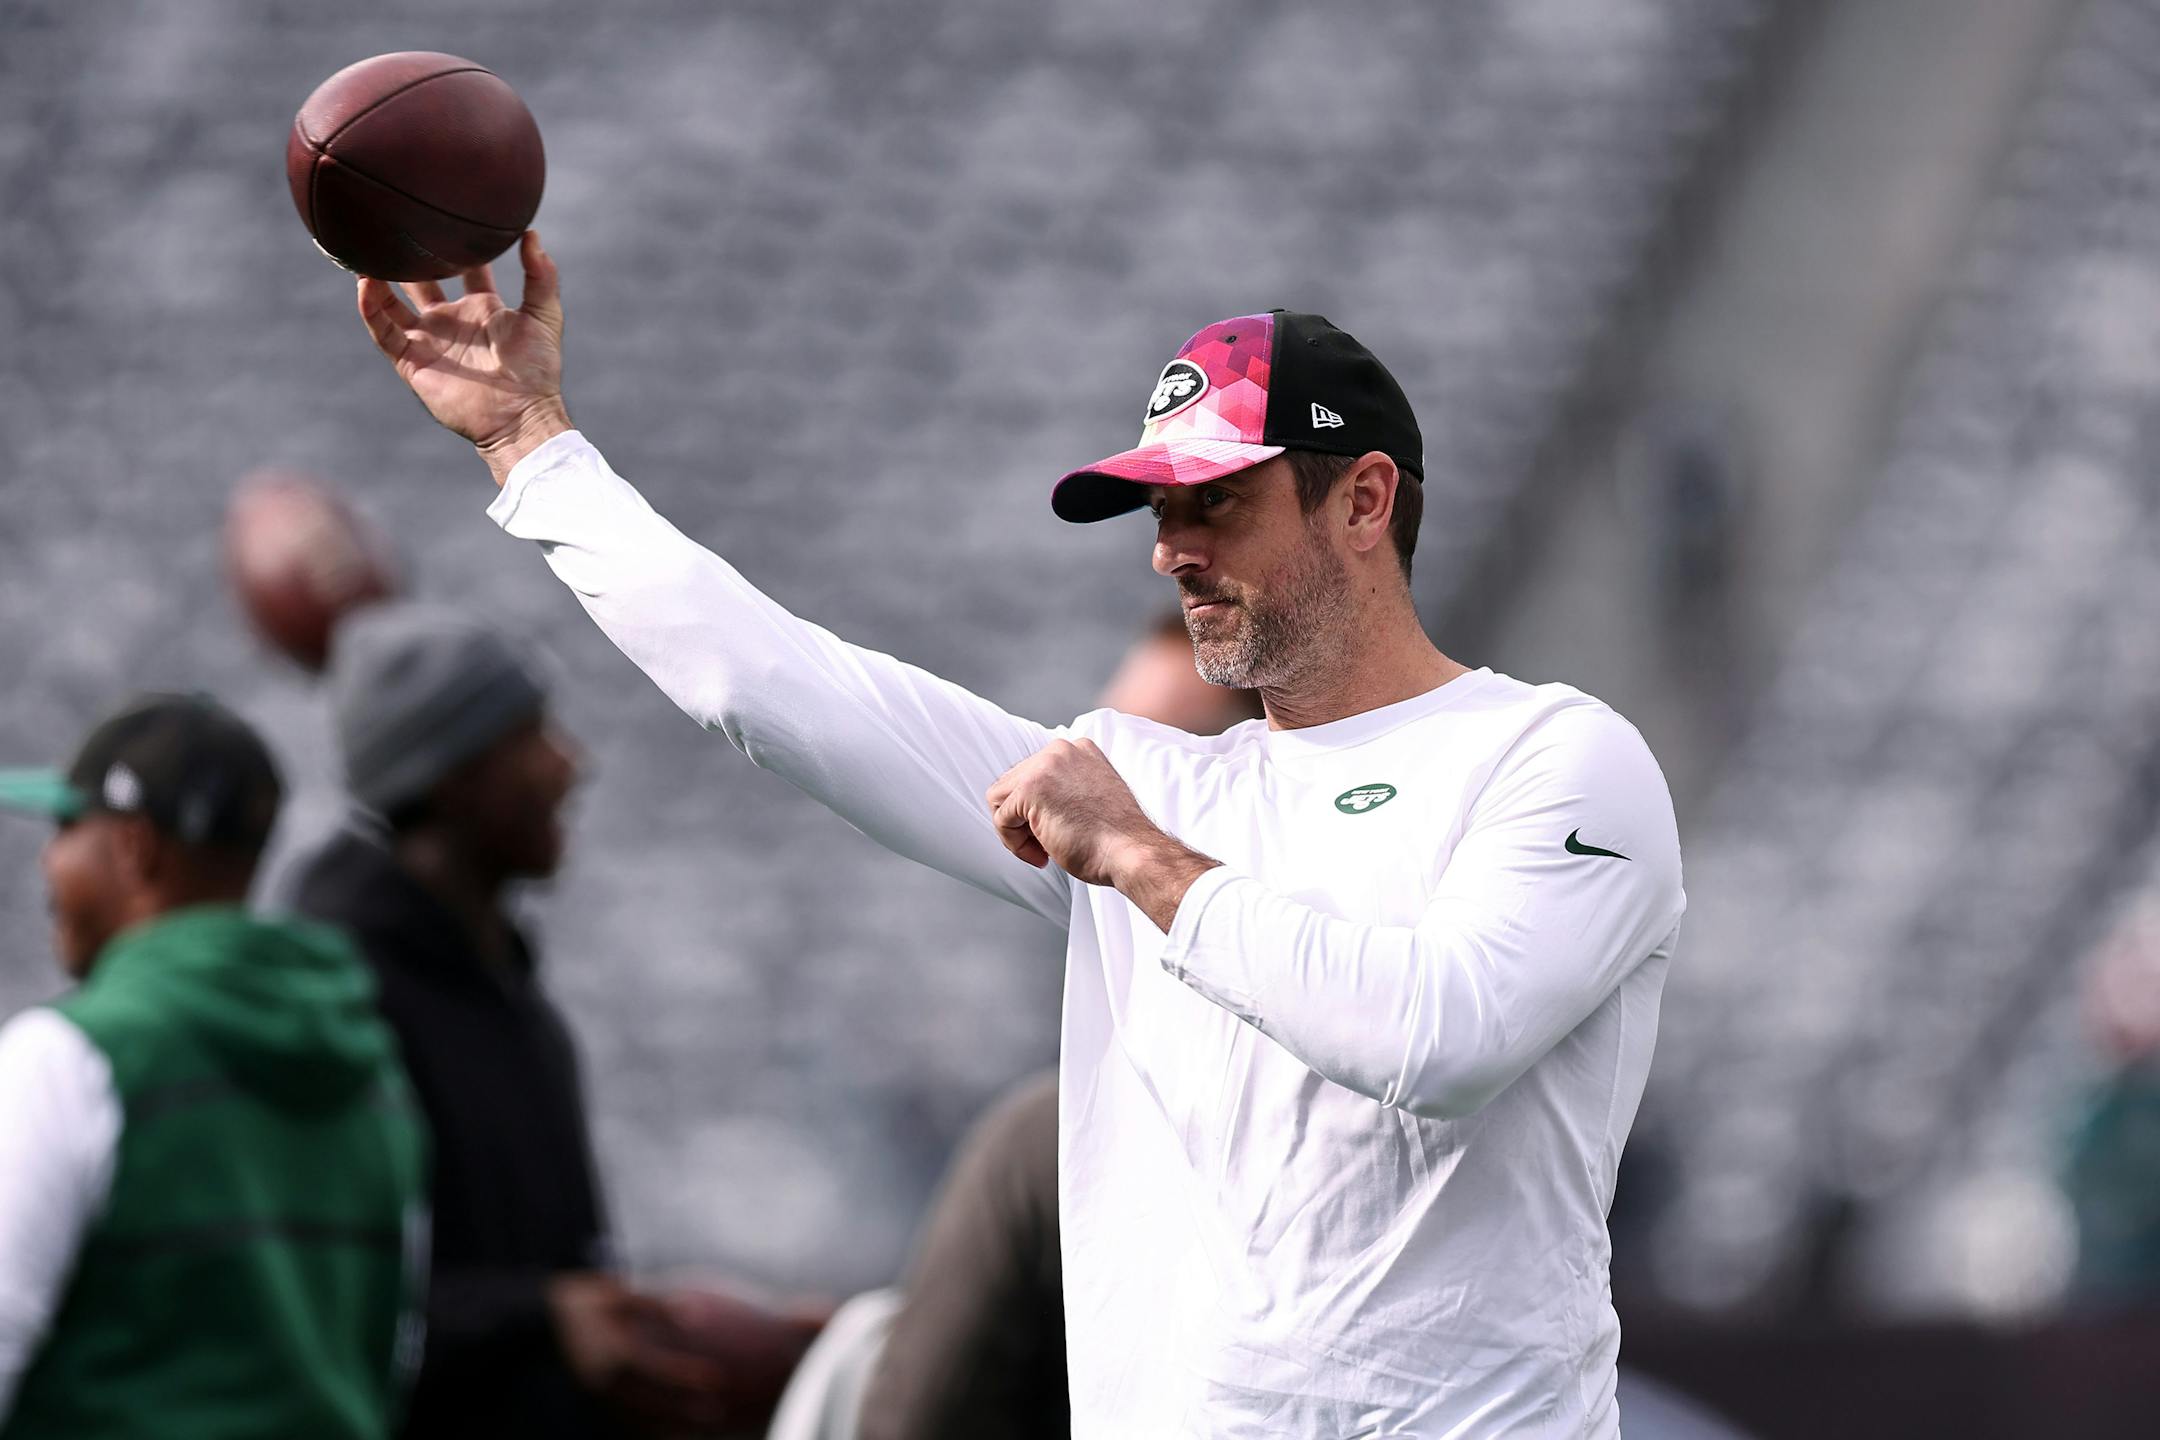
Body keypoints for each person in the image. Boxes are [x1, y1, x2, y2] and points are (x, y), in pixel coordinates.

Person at [355, 239, 1686, 1437]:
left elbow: (1437, 1039)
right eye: (1159, 513)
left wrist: (1138, 860)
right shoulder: (1156, 782)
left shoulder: (1557, 761)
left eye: (1215, 501)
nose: (1171, 551)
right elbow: (771, 688)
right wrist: (533, 447)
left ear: (1364, 499)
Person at [286, 603, 797, 1438]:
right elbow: (315, 1308)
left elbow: (559, 1286)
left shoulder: (505, 987)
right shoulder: (331, 1003)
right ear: (451, 775)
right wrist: (540, 1319)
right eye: (529, 735)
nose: (570, 764)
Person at [0, 693, 426, 1438]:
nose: (47, 859)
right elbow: (394, 1355)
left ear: (134, 849)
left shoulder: (67, 1059)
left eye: (67, 827)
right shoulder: (374, 1071)